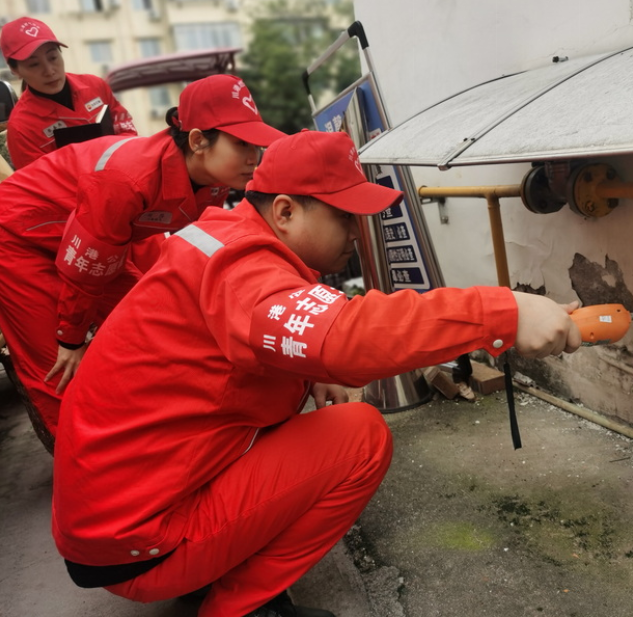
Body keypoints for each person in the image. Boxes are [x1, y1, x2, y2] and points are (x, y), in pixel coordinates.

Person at [51, 129, 582, 617]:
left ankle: (207, 568)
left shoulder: (222, 235)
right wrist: (504, 312)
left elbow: (245, 350)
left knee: (312, 411)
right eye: (344, 217)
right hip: (137, 542)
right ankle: (236, 607)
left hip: (111, 515)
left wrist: (306, 368)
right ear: (283, 211)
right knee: (359, 438)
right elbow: (351, 337)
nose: (358, 232)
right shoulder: (243, 268)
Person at [0, 73, 284, 453]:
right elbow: (85, 268)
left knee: (153, 326)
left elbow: (207, 251)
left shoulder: (214, 181)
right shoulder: (130, 180)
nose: (254, 158)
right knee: (58, 362)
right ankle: (84, 466)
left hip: (88, 237)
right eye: (241, 144)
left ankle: (152, 437)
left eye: (257, 145)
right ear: (198, 141)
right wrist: (71, 335)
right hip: (19, 232)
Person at [0, 16, 138, 169]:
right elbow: (40, 183)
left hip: (125, 174)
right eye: (34, 64)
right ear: (15, 70)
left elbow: (125, 128)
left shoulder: (95, 85)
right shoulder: (21, 128)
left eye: (53, 57)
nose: (50, 71)